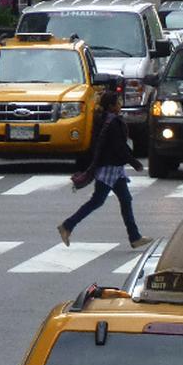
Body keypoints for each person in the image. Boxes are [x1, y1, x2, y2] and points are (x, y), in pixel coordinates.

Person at [59, 91, 151, 249]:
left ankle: (135, 237)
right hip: (110, 168)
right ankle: (67, 225)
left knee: (125, 200)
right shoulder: (113, 122)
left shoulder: (105, 119)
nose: (120, 105)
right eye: (118, 102)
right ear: (111, 106)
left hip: (114, 168)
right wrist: (134, 162)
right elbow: (119, 147)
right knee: (98, 201)